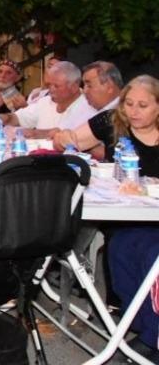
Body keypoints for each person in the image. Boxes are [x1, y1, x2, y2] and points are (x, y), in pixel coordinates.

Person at [102, 76, 159, 362]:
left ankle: (153, 338)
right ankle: (137, 322)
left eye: (143, 105)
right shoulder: (119, 133)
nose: (134, 111)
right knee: (121, 246)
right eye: (129, 104)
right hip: (135, 217)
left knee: (152, 254)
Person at [4, 61, 97, 138]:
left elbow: (65, 134)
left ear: (74, 87)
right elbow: (17, 118)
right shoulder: (45, 102)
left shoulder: (88, 107)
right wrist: (1, 119)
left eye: (56, 86)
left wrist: (34, 133)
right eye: (49, 85)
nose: (51, 90)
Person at [53, 61, 124, 157]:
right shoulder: (86, 105)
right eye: (84, 86)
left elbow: (119, 154)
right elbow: (60, 139)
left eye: (89, 85)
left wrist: (88, 146)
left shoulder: (124, 111)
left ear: (109, 87)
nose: (85, 91)